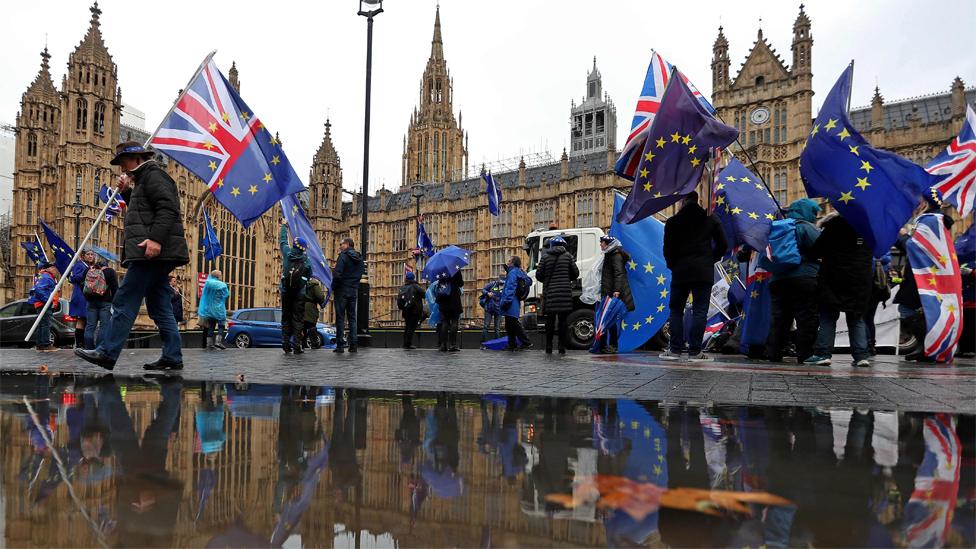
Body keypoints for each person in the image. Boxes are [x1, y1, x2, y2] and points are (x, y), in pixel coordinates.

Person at [75, 142, 189, 371]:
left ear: (136, 158)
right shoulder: (143, 180)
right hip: (153, 253)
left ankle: (107, 352)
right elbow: (143, 212)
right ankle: (172, 356)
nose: (122, 168)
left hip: (152, 253)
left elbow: (168, 209)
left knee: (125, 299)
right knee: (160, 306)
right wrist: (128, 192)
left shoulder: (155, 176)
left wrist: (156, 239)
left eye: (124, 162)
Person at [660, 191, 728, 361]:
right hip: (702, 271)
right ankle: (695, 352)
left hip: (680, 271)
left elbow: (667, 250)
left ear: (683, 201)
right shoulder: (710, 218)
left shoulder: (673, 221)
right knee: (700, 311)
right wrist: (712, 258)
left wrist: (672, 265)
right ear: (698, 200)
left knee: (676, 310)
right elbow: (723, 244)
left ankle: (675, 350)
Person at [806, 213, 874, 367]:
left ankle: (823, 353)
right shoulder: (869, 226)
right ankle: (861, 355)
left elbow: (816, 250)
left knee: (828, 316)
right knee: (856, 316)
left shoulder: (834, 225)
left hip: (834, 277)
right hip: (860, 278)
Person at [764, 198, 822, 363]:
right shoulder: (807, 227)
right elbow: (821, 248)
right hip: (804, 278)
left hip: (777, 279)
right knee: (806, 317)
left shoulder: (779, 228)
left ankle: (774, 352)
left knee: (780, 318)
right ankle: (805, 353)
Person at [535, 235, 579, 354]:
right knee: (563, 321)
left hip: (551, 293)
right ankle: (561, 346)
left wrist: (548, 278)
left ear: (551, 245)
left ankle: (549, 346)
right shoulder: (568, 256)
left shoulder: (545, 257)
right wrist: (566, 277)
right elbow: (576, 273)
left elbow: (538, 275)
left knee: (550, 321)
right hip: (565, 293)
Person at [597, 235, 635, 354]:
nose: (600, 245)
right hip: (607, 291)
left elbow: (619, 273)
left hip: (611, 292)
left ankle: (611, 345)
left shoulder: (615, 255)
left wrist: (616, 290)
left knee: (610, 319)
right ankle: (606, 345)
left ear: (607, 244)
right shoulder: (609, 254)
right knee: (608, 319)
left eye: (602, 243)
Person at [279, 222, 312, 354]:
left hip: (286, 291)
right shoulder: (306, 260)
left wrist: (284, 227)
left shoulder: (287, 253)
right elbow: (309, 274)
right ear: (303, 248)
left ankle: (285, 343)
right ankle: (297, 344)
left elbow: (282, 241)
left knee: (285, 317)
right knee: (298, 319)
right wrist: (303, 283)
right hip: (299, 293)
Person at [332, 237, 365, 353]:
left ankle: (340, 345)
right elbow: (361, 273)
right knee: (352, 318)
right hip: (353, 290)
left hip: (342, 290)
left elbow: (337, 273)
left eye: (341, 244)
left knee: (340, 318)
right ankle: (353, 345)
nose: (340, 246)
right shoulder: (360, 258)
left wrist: (334, 286)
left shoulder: (343, 256)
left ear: (347, 244)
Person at [83, 258, 118, 350]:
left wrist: (87, 297)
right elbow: (115, 288)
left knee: (90, 326)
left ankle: (88, 348)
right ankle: (99, 348)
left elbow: (83, 284)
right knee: (104, 326)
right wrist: (114, 301)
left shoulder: (88, 270)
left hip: (91, 302)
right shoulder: (110, 271)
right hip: (105, 302)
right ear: (107, 264)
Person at [500, 256, 532, 351]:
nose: (508, 262)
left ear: (513, 263)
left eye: (509, 261)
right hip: (514, 300)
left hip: (511, 300)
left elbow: (510, 287)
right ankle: (512, 344)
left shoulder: (513, 272)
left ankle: (526, 342)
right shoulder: (518, 272)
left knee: (513, 323)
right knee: (509, 324)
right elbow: (528, 281)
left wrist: (506, 301)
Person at [862, 253, 892, 356]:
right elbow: (888, 260)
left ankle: (867, 345)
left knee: (862, 318)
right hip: (878, 290)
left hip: (867, 289)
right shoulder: (883, 250)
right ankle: (872, 345)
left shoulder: (869, 252)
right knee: (870, 319)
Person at [28, 261, 60, 352]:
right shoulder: (46, 277)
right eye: (54, 268)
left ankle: (40, 344)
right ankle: (46, 344)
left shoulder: (45, 276)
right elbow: (39, 289)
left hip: (40, 303)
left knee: (42, 324)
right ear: (48, 269)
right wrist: (48, 301)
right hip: (43, 304)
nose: (56, 270)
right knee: (46, 324)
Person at [68, 249, 96, 348]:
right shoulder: (79, 265)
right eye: (88, 254)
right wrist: (87, 271)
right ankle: (80, 344)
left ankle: (85, 343)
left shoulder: (91, 266)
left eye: (92, 254)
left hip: (89, 296)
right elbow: (74, 278)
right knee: (81, 319)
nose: (90, 256)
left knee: (88, 320)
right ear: (83, 256)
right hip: (80, 295)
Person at [198, 269, 230, 350]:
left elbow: (205, 294)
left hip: (210, 308)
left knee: (211, 326)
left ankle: (209, 344)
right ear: (218, 276)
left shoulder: (208, 283)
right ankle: (218, 342)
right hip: (219, 308)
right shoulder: (222, 285)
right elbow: (226, 295)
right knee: (221, 325)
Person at [435, 270, 464, 352]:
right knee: (454, 321)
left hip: (443, 299)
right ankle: (452, 345)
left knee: (444, 322)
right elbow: (460, 283)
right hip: (454, 298)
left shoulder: (440, 269)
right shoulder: (455, 269)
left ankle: (443, 345)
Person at [397, 271, 425, 349]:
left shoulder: (403, 287)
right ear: (413, 278)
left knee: (407, 327)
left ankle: (405, 343)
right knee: (411, 328)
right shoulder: (415, 286)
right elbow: (424, 294)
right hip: (414, 311)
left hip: (406, 310)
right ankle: (408, 344)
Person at [479, 273, 505, 344]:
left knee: (497, 328)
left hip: (498, 310)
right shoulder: (492, 284)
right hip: (489, 308)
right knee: (486, 326)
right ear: (498, 279)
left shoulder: (505, 286)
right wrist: (487, 293)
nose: (501, 284)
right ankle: (483, 344)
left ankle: (497, 343)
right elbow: (483, 290)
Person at [302, 277, 327, 348]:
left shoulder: (300, 282)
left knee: (301, 327)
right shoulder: (314, 284)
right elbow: (320, 296)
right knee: (311, 326)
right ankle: (315, 343)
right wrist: (322, 302)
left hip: (299, 307)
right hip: (310, 308)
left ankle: (301, 345)